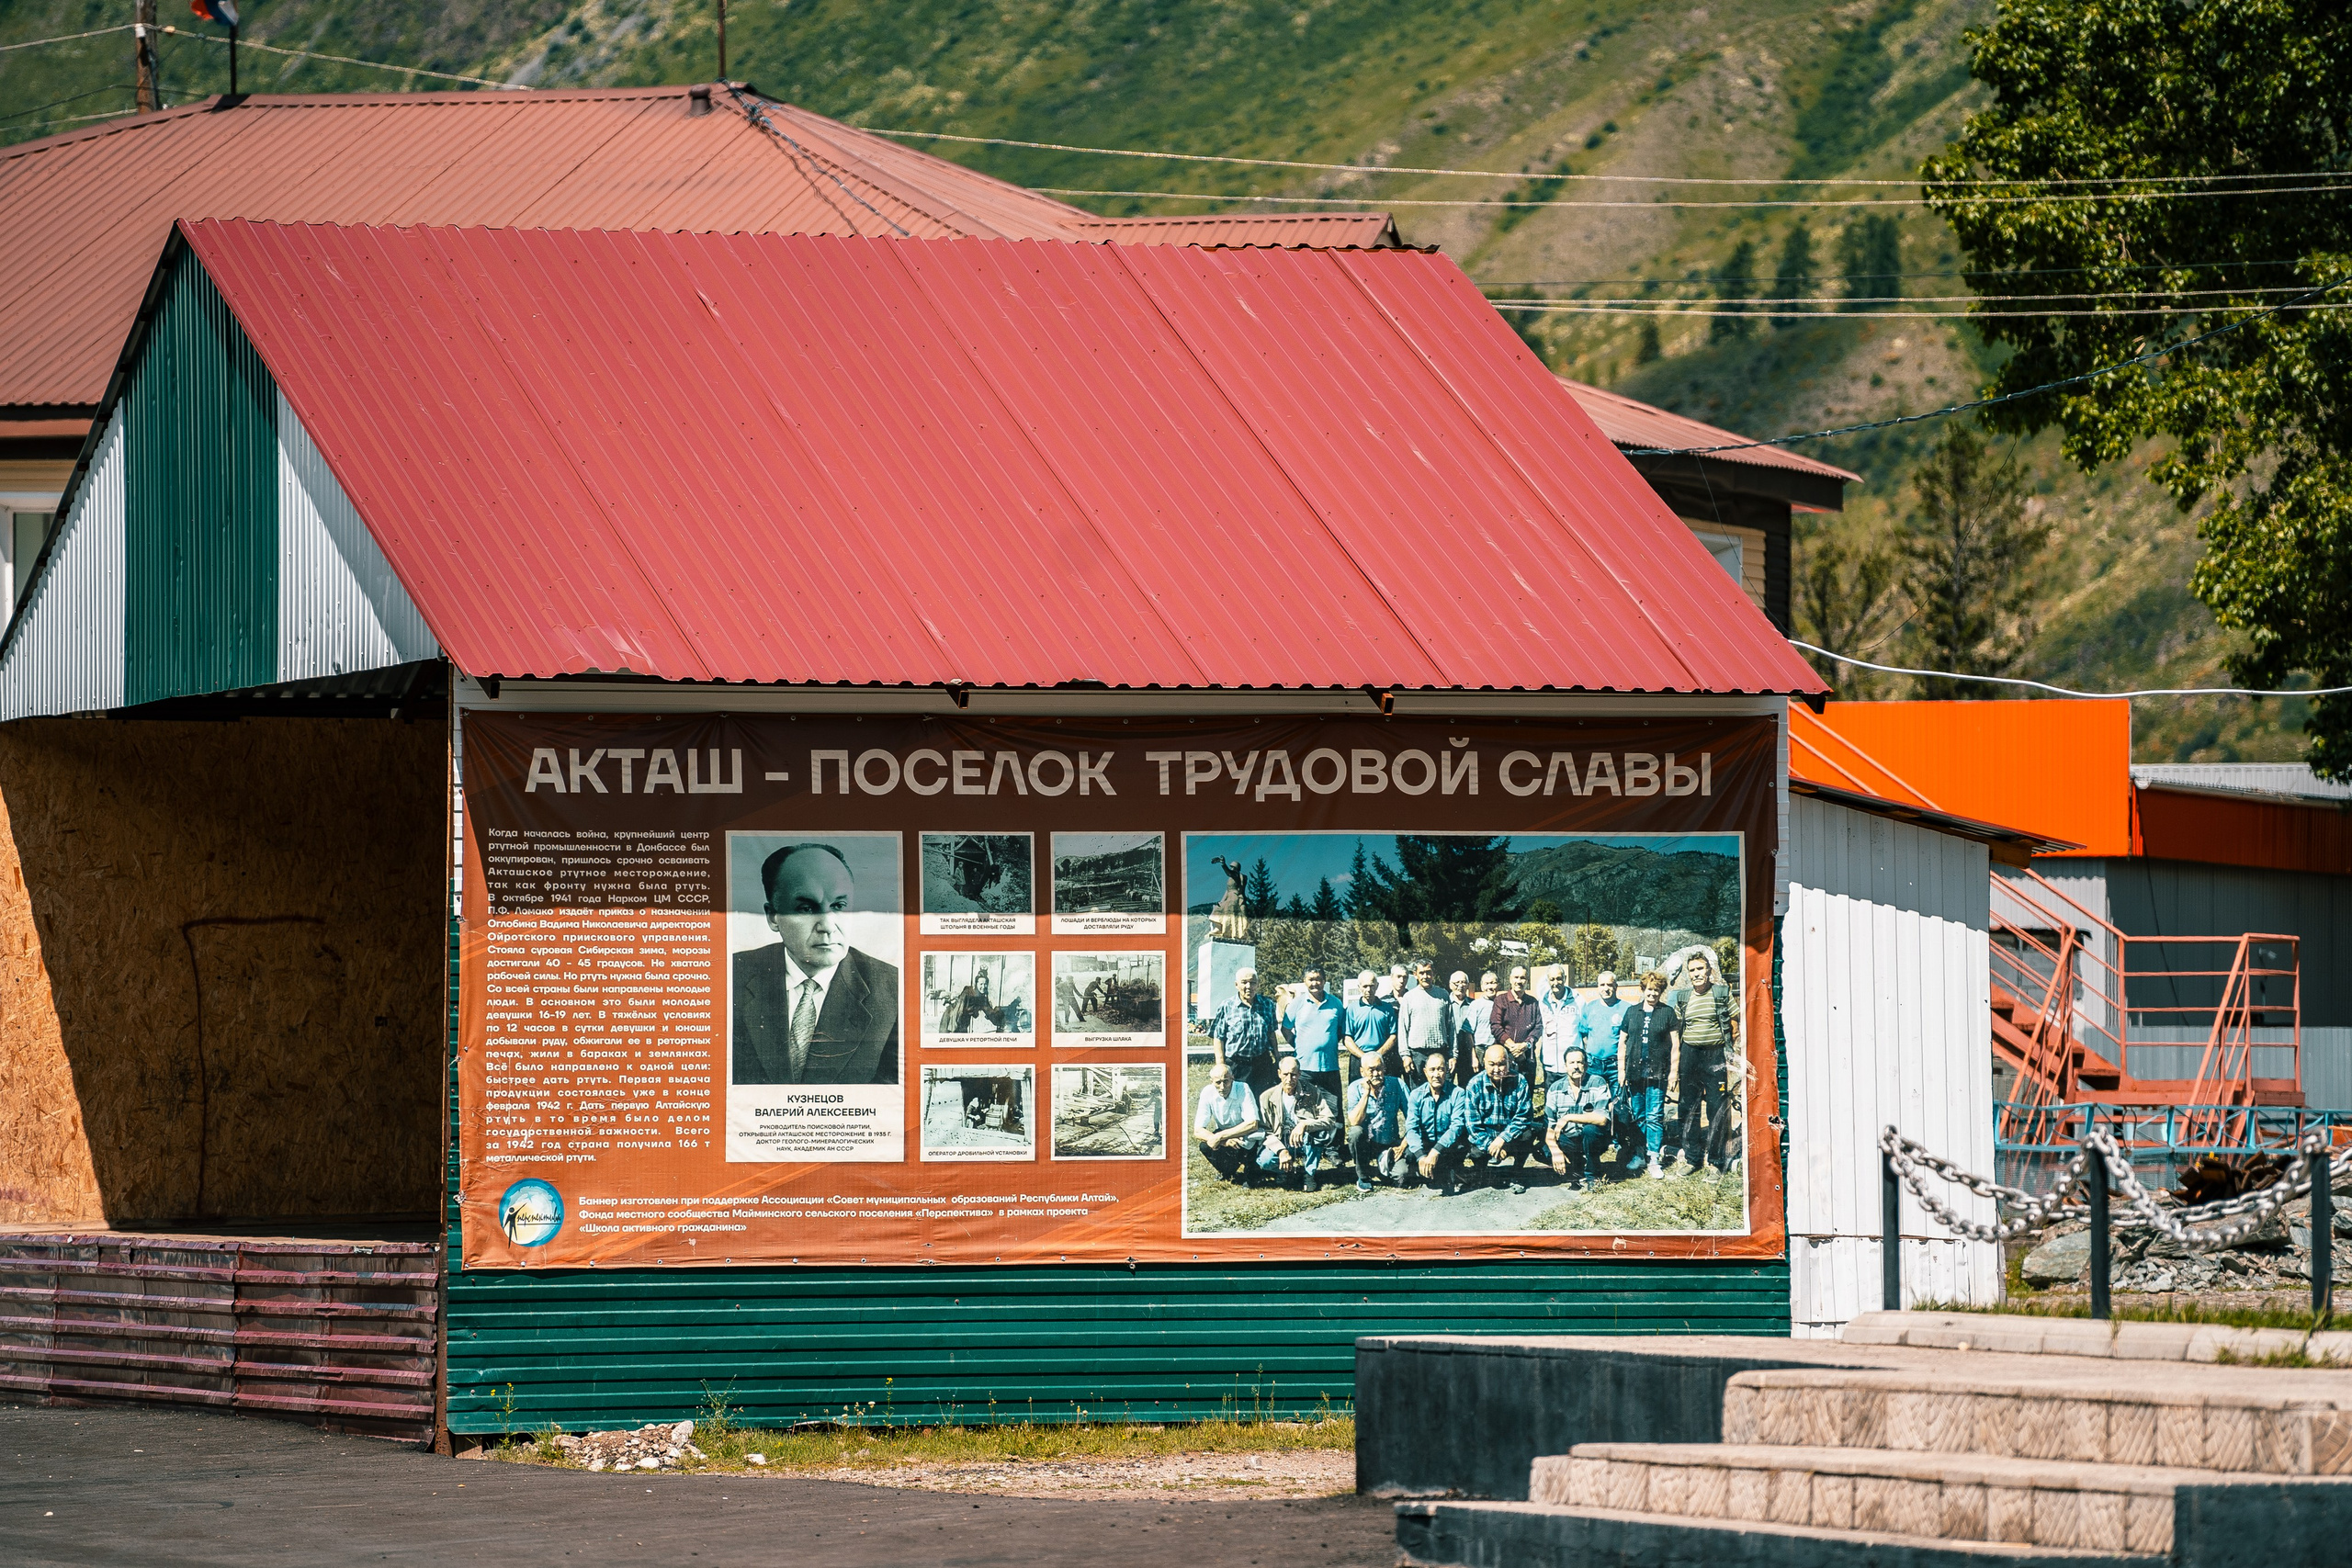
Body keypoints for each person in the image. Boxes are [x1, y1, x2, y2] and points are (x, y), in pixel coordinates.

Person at [732, 842, 899, 1085]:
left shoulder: (893, 989)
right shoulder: (729, 976)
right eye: (807, 908)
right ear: (773, 916)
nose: (828, 925)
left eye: (839, 906)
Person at [1665, 953, 1739, 1175]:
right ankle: (1692, 1158)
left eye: (1700, 969)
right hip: (1690, 1055)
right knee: (1688, 1107)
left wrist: (1731, 1053)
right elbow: (1676, 1032)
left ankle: (1716, 1163)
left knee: (1717, 1108)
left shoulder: (1721, 993)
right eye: (1693, 970)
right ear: (1688, 974)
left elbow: (1735, 1025)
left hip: (1714, 1055)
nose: (1697, 974)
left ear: (1709, 971)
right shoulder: (1683, 997)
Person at [1616, 971, 1682, 1179]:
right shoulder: (1631, 1012)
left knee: (1654, 1117)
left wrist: (1673, 1073)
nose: (1652, 993)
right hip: (1634, 1074)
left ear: (1661, 992)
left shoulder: (1667, 1013)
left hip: (1658, 1073)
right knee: (1639, 1116)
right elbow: (1622, 1044)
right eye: (1649, 989)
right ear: (1643, 990)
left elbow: (1675, 1045)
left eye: (1656, 990)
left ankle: (1654, 1159)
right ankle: (1639, 1154)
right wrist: (1621, 1071)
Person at [1456, 1043, 1537, 1194]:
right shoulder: (1474, 1085)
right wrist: (1491, 1146)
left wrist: (1502, 1140)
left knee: (1527, 1133)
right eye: (1492, 1064)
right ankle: (1481, 1172)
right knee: (1473, 1146)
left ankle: (1517, 1174)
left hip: (1510, 1135)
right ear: (1484, 1063)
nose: (1497, 1069)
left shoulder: (1520, 1081)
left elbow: (1524, 1116)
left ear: (1509, 1063)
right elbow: (1472, 1126)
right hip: (1486, 1135)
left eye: (1501, 1064)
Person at [1256, 1055, 1339, 1191]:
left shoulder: (1311, 1092)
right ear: (1279, 1074)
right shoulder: (1267, 1097)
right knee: (1264, 1161)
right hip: (1281, 1139)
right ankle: (1286, 1171)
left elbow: (1329, 1119)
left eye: (1293, 1075)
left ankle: (1308, 1173)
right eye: (1285, 1074)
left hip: (1304, 1140)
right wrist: (1281, 1150)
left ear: (1299, 1074)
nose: (1289, 1079)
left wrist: (1305, 1125)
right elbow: (1266, 1130)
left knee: (1319, 1133)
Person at [1544, 1048, 1615, 1190]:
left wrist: (1568, 1117)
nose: (1576, 1066)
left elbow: (1602, 1119)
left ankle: (1593, 1176)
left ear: (1586, 1065)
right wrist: (1555, 1151)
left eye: (1579, 1062)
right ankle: (1577, 1165)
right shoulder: (1555, 1088)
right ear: (1565, 1066)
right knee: (1544, 1148)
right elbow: (1550, 1127)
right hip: (1569, 1139)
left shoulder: (1597, 1082)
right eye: (1571, 1063)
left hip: (1592, 1139)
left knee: (1591, 1130)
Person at [1207, 967, 1281, 1098]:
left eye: (1253, 982)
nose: (1249, 986)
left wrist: (1277, 1056)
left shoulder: (1267, 1004)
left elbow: (1271, 1034)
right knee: (1237, 1100)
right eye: (1244, 982)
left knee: (1263, 1099)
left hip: (1262, 1063)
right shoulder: (1227, 1006)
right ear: (1236, 985)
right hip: (1237, 1064)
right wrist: (1221, 1065)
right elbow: (1218, 1037)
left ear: (1258, 984)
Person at [1343, 1055, 1410, 1191]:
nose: (1375, 1074)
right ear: (1362, 1072)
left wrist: (1403, 1144)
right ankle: (1363, 1175)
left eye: (1379, 1069)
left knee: (1401, 1175)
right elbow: (1354, 1121)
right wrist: (1366, 1093)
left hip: (1389, 1142)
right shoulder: (1354, 1088)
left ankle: (1382, 1168)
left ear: (1384, 1068)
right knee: (1355, 1132)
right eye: (1371, 1070)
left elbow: (1412, 1117)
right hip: (1365, 1144)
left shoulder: (1397, 1084)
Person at [1405, 1050, 1466, 1194]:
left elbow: (1456, 1127)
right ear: (1425, 1072)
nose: (1436, 1074)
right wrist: (1421, 1156)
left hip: (1446, 1147)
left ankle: (1445, 1171)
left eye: (1441, 1069)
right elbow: (1411, 1128)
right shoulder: (1416, 1095)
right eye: (1432, 1070)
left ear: (1446, 1071)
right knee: (1409, 1154)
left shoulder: (1458, 1093)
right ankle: (1424, 1169)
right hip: (1426, 1146)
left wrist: (1436, 1151)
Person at [1193, 1062, 1264, 1184]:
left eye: (1226, 1081)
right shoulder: (1207, 1092)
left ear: (1232, 1079)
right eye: (1218, 1082)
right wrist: (1223, 1141)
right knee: (1205, 1146)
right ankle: (1228, 1171)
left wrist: (1221, 1136)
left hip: (1245, 1134)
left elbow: (1253, 1123)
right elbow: (1198, 1130)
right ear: (1212, 1081)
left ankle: (1252, 1170)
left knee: (1252, 1178)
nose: (1222, 1087)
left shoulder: (1243, 1088)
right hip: (1226, 1136)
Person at [1282, 968, 1347, 1100]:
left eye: (1318, 979)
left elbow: (1341, 1029)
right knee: (1305, 1109)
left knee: (1334, 1110)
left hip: (1330, 1066)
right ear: (1304, 981)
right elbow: (1285, 1029)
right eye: (1311, 979)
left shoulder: (1336, 1004)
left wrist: (1329, 1041)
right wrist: (1298, 1044)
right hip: (1304, 1067)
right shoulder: (1297, 1003)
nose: (1315, 983)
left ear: (1324, 981)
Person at [1487, 964, 1541, 1111]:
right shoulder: (1501, 1000)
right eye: (1516, 977)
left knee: (1525, 1094)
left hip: (1526, 1057)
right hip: (1505, 1058)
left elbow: (1538, 1027)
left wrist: (1525, 1046)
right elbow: (1495, 1026)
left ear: (1527, 980)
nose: (1519, 981)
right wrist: (1512, 1047)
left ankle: (1525, 1129)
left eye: (1522, 977)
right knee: (1504, 1095)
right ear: (1510, 980)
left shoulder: (1533, 1002)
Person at [1576, 971, 1631, 1097]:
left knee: (1618, 1103)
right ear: (1598, 987)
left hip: (1615, 1065)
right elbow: (1584, 1034)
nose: (1606, 989)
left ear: (1616, 987)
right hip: (1593, 1064)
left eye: (1609, 985)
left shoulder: (1626, 1009)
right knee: (1592, 1101)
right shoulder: (1589, 1008)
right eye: (1602, 985)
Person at [1343, 968, 1401, 1087]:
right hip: (1358, 1059)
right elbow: (1347, 1039)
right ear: (1359, 987)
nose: (1368, 989)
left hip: (1382, 1057)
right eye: (1365, 986)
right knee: (1359, 1094)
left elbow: (1393, 1036)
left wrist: (1377, 1055)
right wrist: (1364, 1057)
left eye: (1371, 986)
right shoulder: (1351, 1009)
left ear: (1377, 986)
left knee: (1384, 1095)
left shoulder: (1387, 1008)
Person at [1537, 967, 1582, 1105]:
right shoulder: (1542, 1001)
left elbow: (1585, 1030)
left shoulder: (1578, 1000)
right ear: (1548, 980)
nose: (1556, 982)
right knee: (1551, 1101)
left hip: (1571, 1064)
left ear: (1565, 979)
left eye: (1559, 978)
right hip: (1550, 1063)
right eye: (1552, 979)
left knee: (1572, 1100)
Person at [1397, 959, 1452, 1064]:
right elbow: (1403, 1028)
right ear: (1415, 975)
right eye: (1421, 973)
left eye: (1428, 973)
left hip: (1440, 1051)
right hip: (1417, 1055)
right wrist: (1405, 1055)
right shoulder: (1409, 997)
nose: (1425, 977)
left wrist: (1453, 1054)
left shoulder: (1443, 995)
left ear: (1433, 974)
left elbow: (1451, 1026)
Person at [1446, 970, 1480, 1083]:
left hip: (1468, 1051)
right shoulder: (1445, 1003)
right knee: (1447, 1083)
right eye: (1457, 983)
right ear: (1450, 985)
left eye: (1464, 982)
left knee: (1467, 1083)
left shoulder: (1474, 1004)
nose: (1460, 986)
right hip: (1449, 1050)